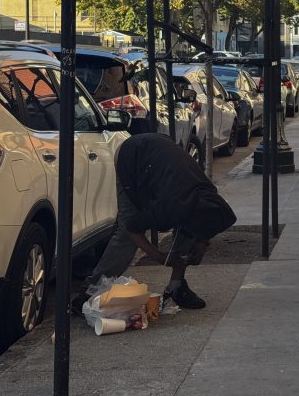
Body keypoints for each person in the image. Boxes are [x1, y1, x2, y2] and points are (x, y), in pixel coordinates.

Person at [72, 133, 236, 313]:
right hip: (131, 156)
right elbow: (132, 229)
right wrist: (159, 256)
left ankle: (176, 287)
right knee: (126, 236)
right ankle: (91, 292)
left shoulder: (211, 199)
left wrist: (202, 243)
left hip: (162, 157)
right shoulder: (166, 209)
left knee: (187, 232)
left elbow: (203, 223)